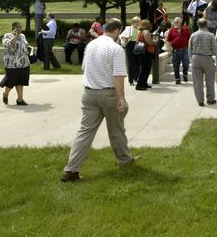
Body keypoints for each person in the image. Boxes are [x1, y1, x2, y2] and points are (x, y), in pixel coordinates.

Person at [60, 19, 138, 182]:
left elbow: (85, 69)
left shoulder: (91, 45)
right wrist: (121, 98)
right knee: (116, 130)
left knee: (84, 131)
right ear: (117, 31)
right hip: (108, 94)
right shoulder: (115, 48)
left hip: (88, 94)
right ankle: (124, 160)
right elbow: (118, 76)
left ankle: (71, 169)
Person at [188, 18, 217, 106]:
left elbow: (189, 49)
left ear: (198, 25)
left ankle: (200, 100)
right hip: (207, 58)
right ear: (206, 25)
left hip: (196, 58)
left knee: (197, 82)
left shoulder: (193, 35)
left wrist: (191, 59)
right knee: (210, 80)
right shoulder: (210, 35)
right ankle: (210, 99)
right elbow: (215, 48)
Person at [1, 22, 31, 106]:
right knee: (10, 81)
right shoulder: (7, 35)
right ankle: (5, 94)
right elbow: (8, 44)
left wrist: (29, 50)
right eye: (17, 27)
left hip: (23, 63)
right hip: (11, 64)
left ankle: (20, 99)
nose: (19, 29)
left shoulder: (23, 36)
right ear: (13, 28)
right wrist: (15, 36)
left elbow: (25, 45)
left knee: (21, 81)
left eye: (20, 27)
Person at [166, 17, 191, 84]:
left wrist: (191, 49)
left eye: (177, 22)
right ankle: (177, 79)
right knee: (175, 65)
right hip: (175, 51)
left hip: (185, 50)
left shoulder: (186, 29)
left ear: (180, 23)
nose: (176, 23)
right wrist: (169, 50)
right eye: (175, 22)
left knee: (186, 64)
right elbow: (168, 41)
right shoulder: (171, 30)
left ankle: (185, 74)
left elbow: (190, 40)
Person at [134, 19, 156, 91]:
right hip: (146, 52)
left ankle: (144, 83)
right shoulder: (146, 31)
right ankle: (140, 85)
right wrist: (154, 42)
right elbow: (148, 42)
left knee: (145, 69)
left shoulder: (140, 32)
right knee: (145, 69)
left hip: (142, 52)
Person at [119, 17, 141, 86]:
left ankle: (136, 78)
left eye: (139, 22)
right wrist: (126, 37)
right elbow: (121, 36)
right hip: (130, 45)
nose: (138, 23)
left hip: (138, 45)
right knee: (130, 63)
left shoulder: (140, 29)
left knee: (137, 62)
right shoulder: (128, 28)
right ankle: (130, 80)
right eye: (137, 22)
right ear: (133, 22)